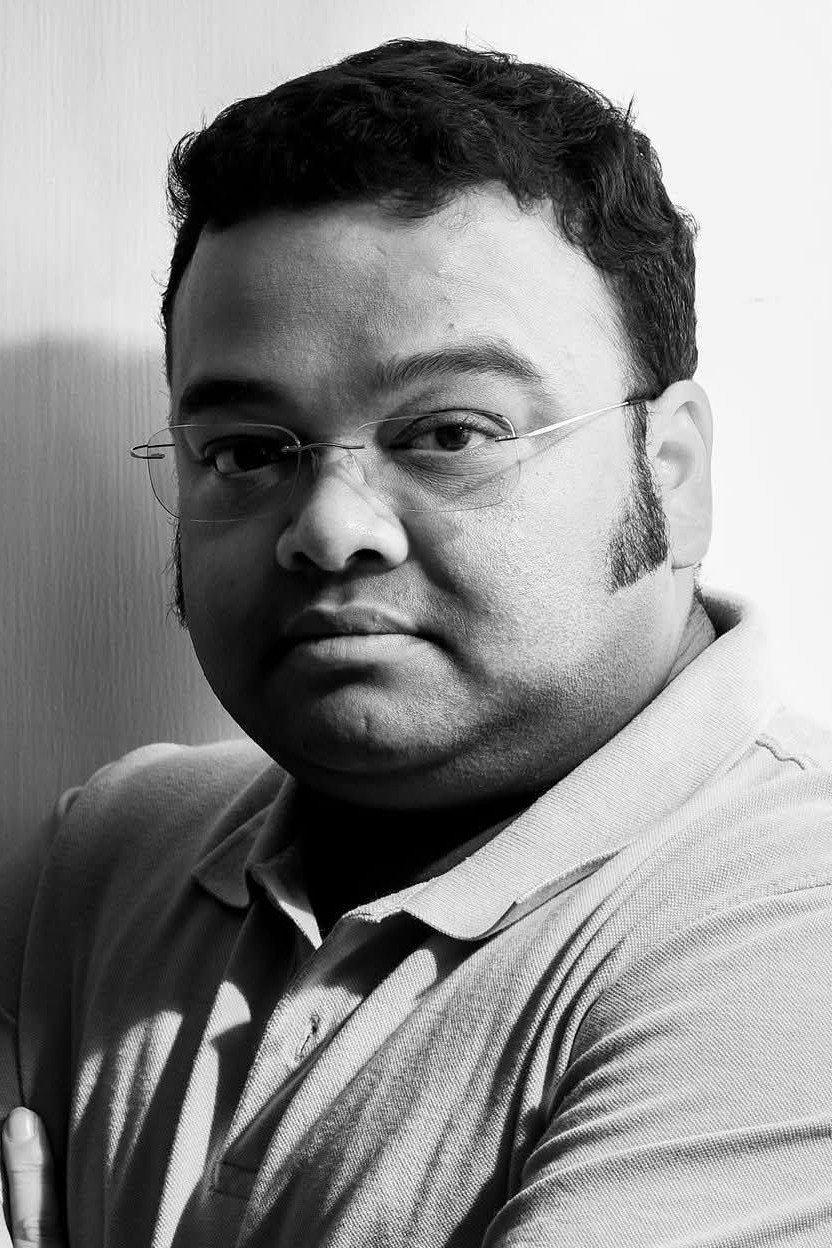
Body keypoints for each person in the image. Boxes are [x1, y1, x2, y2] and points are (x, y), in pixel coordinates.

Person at [2, 34, 832, 1247]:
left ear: (672, 470)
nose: (330, 527)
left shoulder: (795, 934)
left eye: (449, 433)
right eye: (246, 451)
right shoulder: (109, 854)